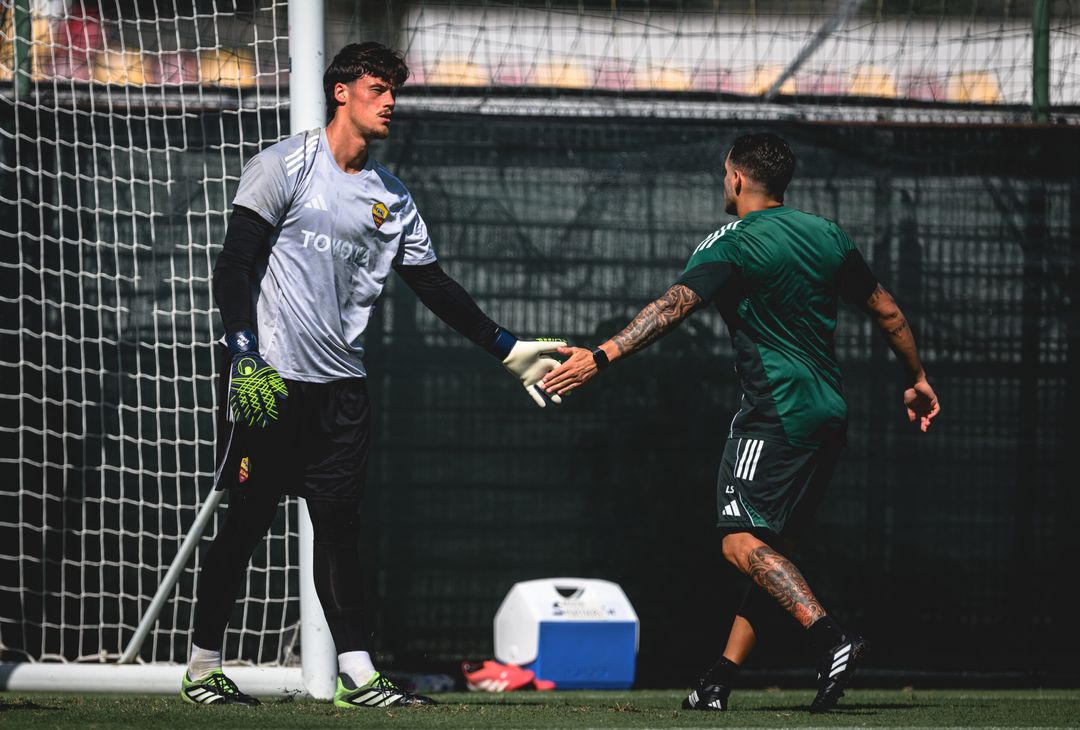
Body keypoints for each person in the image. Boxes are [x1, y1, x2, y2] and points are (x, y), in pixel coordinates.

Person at [181, 42, 564, 708]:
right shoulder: (283, 165)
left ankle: (358, 676)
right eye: (378, 88)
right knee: (245, 525)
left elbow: (433, 285)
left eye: (394, 91)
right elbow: (234, 264)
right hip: (268, 381)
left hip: (342, 394)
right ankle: (202, 668)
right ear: (342, 92)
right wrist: (242, 350)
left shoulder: (392, 198)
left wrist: (504, 347)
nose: (390, 102)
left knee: (338, 531)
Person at [542, 132, 939, 713]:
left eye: (723, 174)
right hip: (829, 416)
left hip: (774, 415)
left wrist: (599, 356)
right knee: (771, 559)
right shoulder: (827, 235)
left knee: (737, 543)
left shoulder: (733, 240)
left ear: (737, 178)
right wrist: (918, 378)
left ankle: (831, 639)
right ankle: (717, 682)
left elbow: (673, 306)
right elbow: (887, 310)